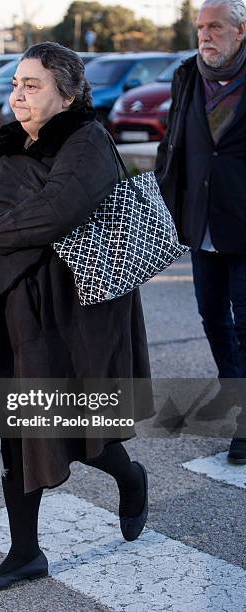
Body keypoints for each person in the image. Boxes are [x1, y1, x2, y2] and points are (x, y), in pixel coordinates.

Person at [0, 42, 153, 593]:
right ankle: (26, 552)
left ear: (66, 92)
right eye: (15, 83)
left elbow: (58, 209)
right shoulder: (6, 145)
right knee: (17, 428)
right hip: (10, 307)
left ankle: (130, 478)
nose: (17, 94)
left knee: (74, 424)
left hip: (72, 310)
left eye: (32, 85)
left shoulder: (88, 140)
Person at [155, 0, 246, 463]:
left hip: (245, 222)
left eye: (215, 27)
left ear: (241, 31)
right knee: (213, 318)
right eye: (200, 27)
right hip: (200, 222)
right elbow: (174, 141)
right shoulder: (188, 75)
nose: (205, 35)